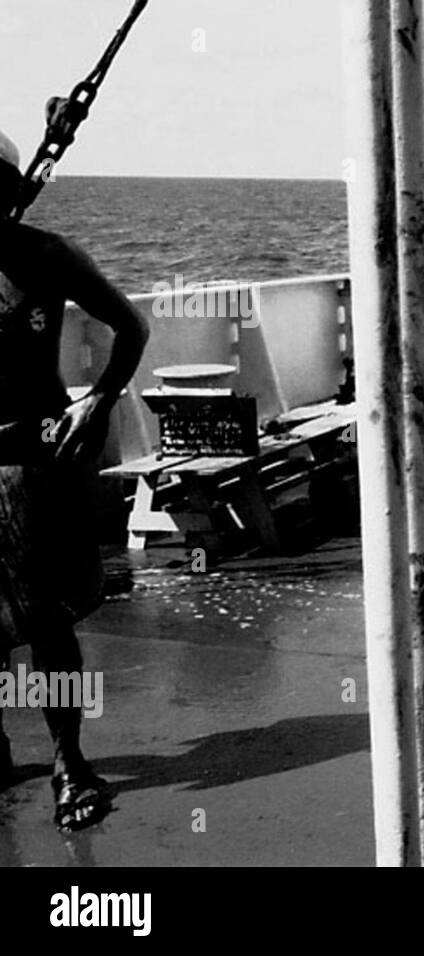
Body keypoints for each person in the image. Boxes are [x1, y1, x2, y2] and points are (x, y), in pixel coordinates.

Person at [0, 129, 149, 830]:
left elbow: (131, 327)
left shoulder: (45, 256)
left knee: (49, 621)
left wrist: (99, 399)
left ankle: (69, 761)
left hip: (34, 461)